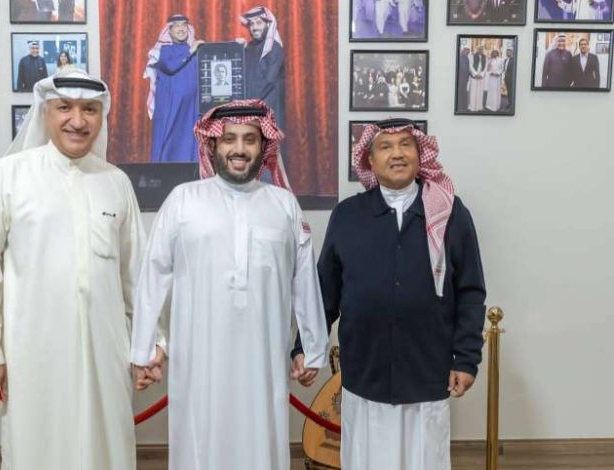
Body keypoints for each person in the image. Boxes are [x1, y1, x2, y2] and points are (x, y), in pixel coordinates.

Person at [130, 99, 329, 470]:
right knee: (200, 443)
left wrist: (313, 349)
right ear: (213, 145)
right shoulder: (183, 200)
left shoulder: (283, 204)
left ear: (263, 145)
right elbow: (152, 275)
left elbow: (304, 281)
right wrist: (144, 348)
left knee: (261, 443)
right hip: (198, 361)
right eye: (229, 139)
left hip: (263, 359)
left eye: (250, 139)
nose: (239, 149)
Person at [0, 70, 143, 470]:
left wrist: (147, 346)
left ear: (101, 117)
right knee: (37, 448)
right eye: (65, 108)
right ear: (45, 112)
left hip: (105, 351)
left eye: (90, 110)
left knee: (106, 449)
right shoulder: (7, 175)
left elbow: (136, 277)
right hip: (32, 351)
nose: (77, 121)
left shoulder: (116, 182)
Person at [294, 118, 486, 470]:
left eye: (405, 144)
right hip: (365, 375)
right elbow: (325, 293)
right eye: (385, 146)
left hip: (427, 373)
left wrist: (466, 358)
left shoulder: (450, 213)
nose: (397, 154)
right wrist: (305, 347)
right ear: (369, 160)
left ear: (419, 154)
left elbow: (470, 292)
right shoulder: (348, 215)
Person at [144, 14, 203, 163]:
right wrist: (190, 52)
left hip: (191, 110)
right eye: (176, 25)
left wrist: (238, 46)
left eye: (184, 25)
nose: (181, 29)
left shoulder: (195, 49)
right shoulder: (162, 51)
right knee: (168, 148)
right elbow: (170, 66)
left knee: (190, 146)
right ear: (169, 31)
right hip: (171, 110)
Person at [240, 6, 286, 132]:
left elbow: (267, 83)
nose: (254, 27)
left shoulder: (274, 48)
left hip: (269, 114)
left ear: (268, 24)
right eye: (251, 24)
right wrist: (237, 49)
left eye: (259, 23)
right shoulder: (249, 47)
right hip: (252, 113)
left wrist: (242, 103)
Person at [467, 45, 486, 111]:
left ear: (483, 50)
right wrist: (475, 74)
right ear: (477, 49)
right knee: (473, 91)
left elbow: (485, 67)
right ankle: (472, 106)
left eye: (481, 49)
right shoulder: (472, 56)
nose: (480, 50)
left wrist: (481, 75)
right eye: (479, 49)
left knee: (480, 92)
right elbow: (470, 66)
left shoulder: (484, 57)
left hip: (480, 77)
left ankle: (479, 106)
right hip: (474, 76)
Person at [457, 46, 471, 111]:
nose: (468, 53)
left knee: (464, 91)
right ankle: (459, 106)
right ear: (463, 51)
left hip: (465, 78)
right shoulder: (459, 57)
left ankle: (463, 106)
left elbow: (467, 68)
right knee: (459, 91)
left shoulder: (467, 58)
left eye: (468, 52)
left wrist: (469, 76)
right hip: (460, 78)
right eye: (467, 51)